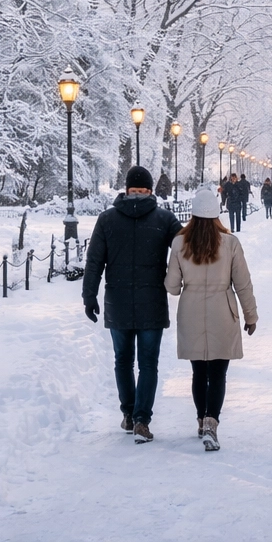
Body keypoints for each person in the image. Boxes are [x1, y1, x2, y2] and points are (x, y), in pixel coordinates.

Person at [82, 166, 182, 443]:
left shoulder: (107, 219)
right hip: (151, 301)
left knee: (123, 360)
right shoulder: (164, 219)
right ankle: (141, 419)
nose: (138, 196)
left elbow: (95, 261)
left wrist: (89, 295)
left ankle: (129, 413)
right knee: (147, 363)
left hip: (119, 301)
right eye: (136, 191)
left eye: (140, 191)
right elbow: (187, 248)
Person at [165, 185, 258, 452]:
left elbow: (172, 287)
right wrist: (250, 315)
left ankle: (200, 419)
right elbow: (243, 284)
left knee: (198, 372)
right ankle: (211, 422)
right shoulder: (230, 243)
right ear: (217, 214)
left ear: (193, 215)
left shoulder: (180, 243)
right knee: (218, 373)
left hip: (191, 312)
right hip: (222, 311)